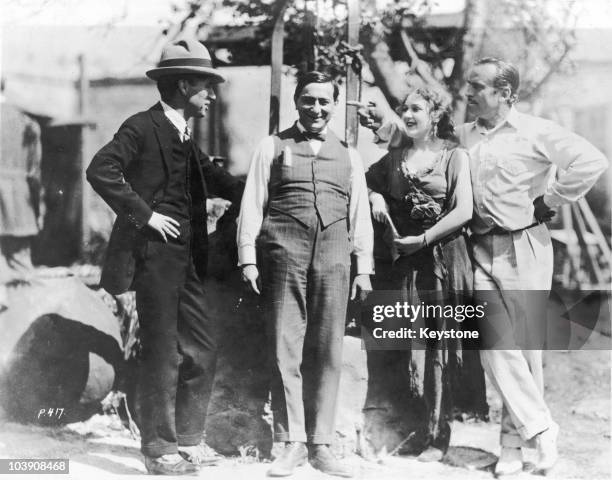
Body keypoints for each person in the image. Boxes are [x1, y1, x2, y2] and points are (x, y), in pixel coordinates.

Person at [360, 57, 608, 476]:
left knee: (525, 349)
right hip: (477, 249)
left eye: (478, 86)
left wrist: (549, 202)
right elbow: (421, 142)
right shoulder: (463, 135)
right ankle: (543, 428)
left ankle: (515, 445)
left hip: (524, 246)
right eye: (470, 85)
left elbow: (591, 161)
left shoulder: (536, 131)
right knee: (495, 344)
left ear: (506, 94)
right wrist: (383, 123)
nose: (470, 92)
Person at [86, 38, 243, 476]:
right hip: (153, 257)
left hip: (188, 259)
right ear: (183, 85)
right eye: (205, 85)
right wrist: (145, 216)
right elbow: (100, 169)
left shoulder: (183, 133)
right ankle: (159, 450)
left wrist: (262, 194)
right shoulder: (141, 126)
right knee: (161, 353)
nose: (212, 94)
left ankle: (190, 440)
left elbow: (211, 176)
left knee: (203, 348)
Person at [237, 71, 373, 478]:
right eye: (308, 100)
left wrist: (363, 268)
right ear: (297, 102)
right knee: (285, 346)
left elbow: (359, 214)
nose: (316, 109)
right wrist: (248, 257)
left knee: (328, 349)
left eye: (324, 102)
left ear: (334, 105)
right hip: (283, 254)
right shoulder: (272, 146)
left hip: (334, 257)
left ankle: (322, 443)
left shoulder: (350, 154)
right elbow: (253, 203)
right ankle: (291, 441)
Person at [365, 87, 473, 462]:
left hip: (443, 259)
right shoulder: (394, 157)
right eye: (403, 109)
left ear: (435, 114)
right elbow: (367, 181)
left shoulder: (453, 155)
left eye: (416, 108)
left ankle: (437, 437)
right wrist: (376, 196)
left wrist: (423, 238)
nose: (407, 114)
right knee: (408, 343)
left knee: (440, 344)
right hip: (405, 263)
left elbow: (464, 210)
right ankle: (412, 429)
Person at [0, 83, 43, 310]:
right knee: (23, 272)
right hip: (19, 206)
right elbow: (35, 174)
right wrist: (36, 209)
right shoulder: (27, 124)